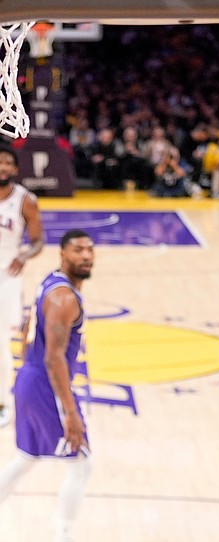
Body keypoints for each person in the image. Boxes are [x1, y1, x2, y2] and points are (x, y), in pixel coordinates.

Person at [0, 229, 94, 542]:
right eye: (78, 250)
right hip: (45, 383)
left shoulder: (50, 281)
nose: (86, 256)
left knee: (28, 457)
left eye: (90, 250)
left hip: (29, 376)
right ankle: (63, 536)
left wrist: (28, 372)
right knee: (81, 462)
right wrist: (70, 413)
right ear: (63, 253)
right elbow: (55, 359)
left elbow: (28, 331)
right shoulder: (65, 298)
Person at [0, 147, 44, 427]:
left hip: (6, 274)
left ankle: (3, 401)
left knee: (0, 340)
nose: (2, 166)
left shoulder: (26, 200)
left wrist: (25, 255)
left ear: (15, 169)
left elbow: (38, 241)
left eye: (7, 162)